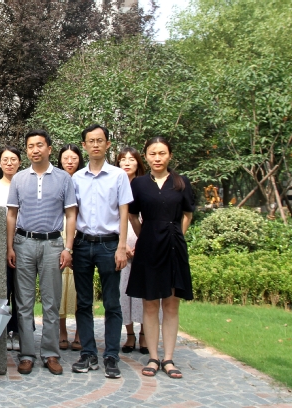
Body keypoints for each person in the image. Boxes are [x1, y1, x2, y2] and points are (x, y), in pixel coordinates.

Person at [6, 130, 77, 376]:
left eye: (39, 145)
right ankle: (26, 354)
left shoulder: (63, 178)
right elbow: (12, 214)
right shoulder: (19, 179)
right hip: (23, 243)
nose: (34, 150)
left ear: (49, 148)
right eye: (30, 146)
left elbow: (71, 214)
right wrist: (10, 247)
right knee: (23, 302)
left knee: (51, 302)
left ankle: (50, 353)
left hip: (52, 245)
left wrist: (68, 247)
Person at [127, 137, 194, 379]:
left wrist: (177, 235)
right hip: (148, 246)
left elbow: (187, 214)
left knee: (171, 304)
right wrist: (145, 236)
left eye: (162, 153)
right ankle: (154, 357)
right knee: (150, 302)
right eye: (153, 153)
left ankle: (168, 358)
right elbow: (132, 215)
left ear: (170, 156)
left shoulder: (181, 182)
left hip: (175, 247)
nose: (157, 158)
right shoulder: (139, 184)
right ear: (146, 156)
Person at [70, 124, 133, 379]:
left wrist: (122, 247)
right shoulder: (76, 178)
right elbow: (72, 214)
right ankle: (88, 353)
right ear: (84, 145)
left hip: (109, 245)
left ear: (108, 144)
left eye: (100, 140)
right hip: (82, 244)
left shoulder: (118, 176)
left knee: (112, 303)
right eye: (91, 141)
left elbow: (124, 212)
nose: (95, 145)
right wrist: (69, 247)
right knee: (84, 302)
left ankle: (111, 356)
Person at [0, 145, 24, 351]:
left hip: (23, 241)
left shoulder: (26, 185)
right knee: (2, 288)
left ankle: (18, 331)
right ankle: (2, 330)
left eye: (13, 159)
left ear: (20, 162)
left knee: (21, 290)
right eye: (5, 160)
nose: (9, 163)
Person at [116, 147, 149, 354]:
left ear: (138, 163)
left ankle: (145, 333)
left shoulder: (145, 185)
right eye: (123, 159)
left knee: (145, 292)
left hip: (144, 244)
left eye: (131, 159)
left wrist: (142, 244)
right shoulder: (115, 185)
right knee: (123, 293)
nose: (127, 163)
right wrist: (123, 245)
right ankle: (129, 334)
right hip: (120, 246)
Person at [56, 144, 84, 352]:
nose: (69, 161)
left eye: (73, 158)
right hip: (58, 236)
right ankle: (62, 332)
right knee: (59, 287)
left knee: (80, 288)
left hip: (80, 236)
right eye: (65, 158)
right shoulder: (55, 180)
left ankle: (80, 333)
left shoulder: (84, 180)